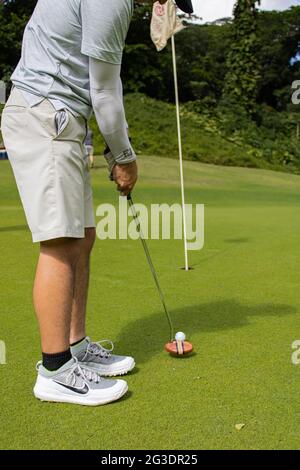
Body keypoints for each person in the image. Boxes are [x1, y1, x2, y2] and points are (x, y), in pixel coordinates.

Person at [1, 0, 191, 407]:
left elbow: (102, 82)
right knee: (62, 242)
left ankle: (76, 346)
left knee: (82, 236)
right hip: (47, 112)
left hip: (64, 117)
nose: (160, 6)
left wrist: (113, 146)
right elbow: (104, 89)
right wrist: (124, 157)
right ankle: (55, 370)